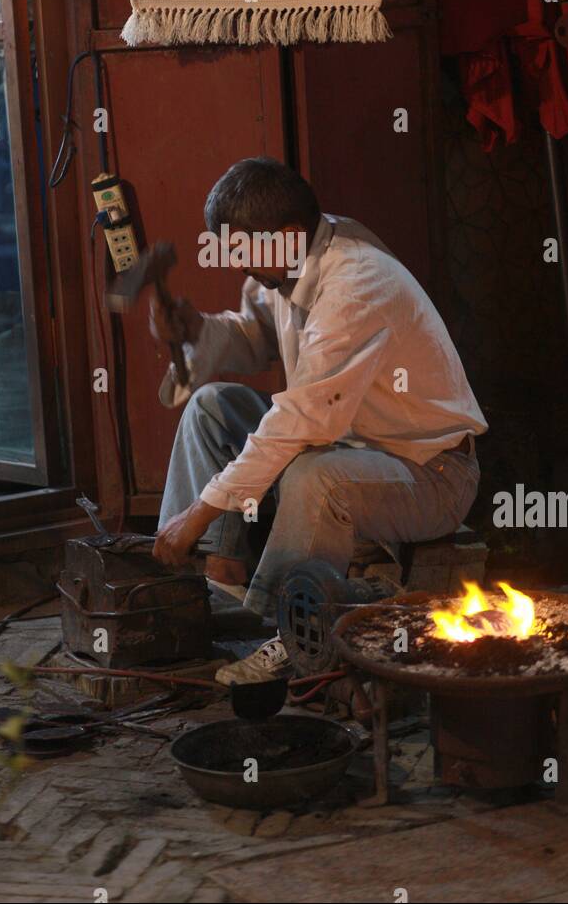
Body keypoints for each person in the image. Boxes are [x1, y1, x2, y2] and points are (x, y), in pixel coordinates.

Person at [150, 157, 487, 683]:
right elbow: (252, 336)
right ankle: (217, 582)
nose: (238, 265)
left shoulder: (356, 281)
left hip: (430, 473)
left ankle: (291, 632)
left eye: (243, 250)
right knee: (211, 406)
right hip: (347, 447)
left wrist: (197, 512)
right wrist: (197, 328)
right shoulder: (286, 258)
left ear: (286, 234)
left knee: (316, 474)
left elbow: (301, 419)